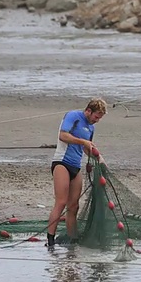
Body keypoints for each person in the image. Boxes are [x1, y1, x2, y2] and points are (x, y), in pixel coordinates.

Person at [46, 98, 107, 248]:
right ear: (88, 111)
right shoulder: (73, 116)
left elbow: (87, 148)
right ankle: (50, 240)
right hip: (62, 163)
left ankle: (73, 240)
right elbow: (63, 135)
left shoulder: (91, 128)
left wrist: (99, 158)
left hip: (76, 166)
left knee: (74, 206)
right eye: (96, 117)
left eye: (100, 118)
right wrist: (83, 142)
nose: (97, 120)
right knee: (61, 202)